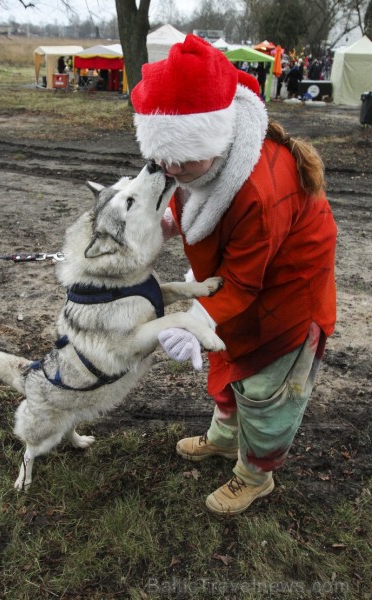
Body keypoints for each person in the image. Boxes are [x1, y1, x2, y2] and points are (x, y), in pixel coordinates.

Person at [131, 34, 337, 517]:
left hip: (286, 298)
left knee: (266, 392)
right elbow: (197, 197)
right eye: (164, 159)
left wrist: (194, 319)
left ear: (214, 138)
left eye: (184, 160)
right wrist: (168, 222)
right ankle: (224, 440)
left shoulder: (259, 192)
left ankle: (255, 475)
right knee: (228, 367)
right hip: (244, 283)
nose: (173, 170)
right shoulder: (202, 159)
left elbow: (245, 283)